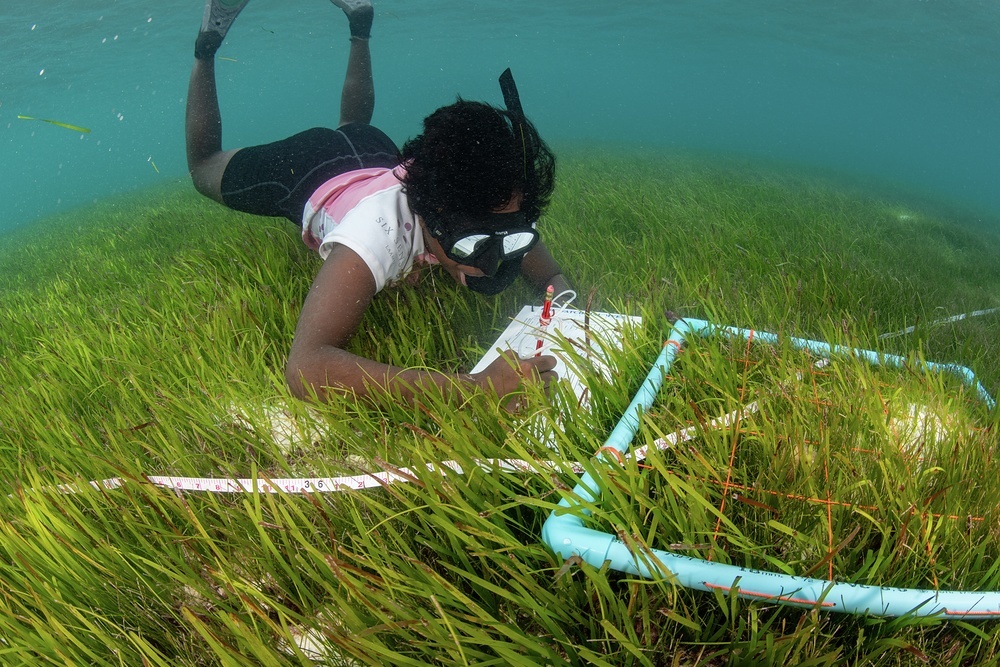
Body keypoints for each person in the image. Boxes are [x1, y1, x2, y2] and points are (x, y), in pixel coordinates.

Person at [186, 0, 571, 407]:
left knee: (355, 126)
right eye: (473, 245)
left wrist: (563, 298)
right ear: (428, 214)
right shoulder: (376, 232)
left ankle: (359, 21)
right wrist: (473, 389)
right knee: (202, 168)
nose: (492, 262)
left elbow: (511, 230)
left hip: (373, 151)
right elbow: (307, 366)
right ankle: (206, 49)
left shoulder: (477, 198)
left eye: (510, 240)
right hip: (308, 167)